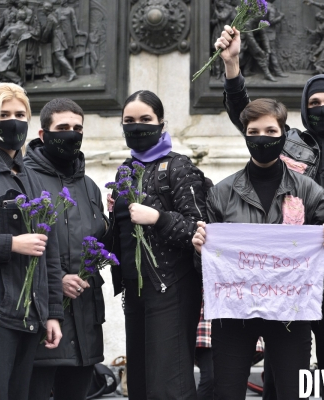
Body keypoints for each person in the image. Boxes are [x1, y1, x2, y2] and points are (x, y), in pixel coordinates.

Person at [216, 24, 324, 399]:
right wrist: (232, 64)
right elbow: (247, 115)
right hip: (287, 278)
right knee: (284, 373)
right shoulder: (286, 141)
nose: (322, 109)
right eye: (314, 103)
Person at [192, 97, 324, 400]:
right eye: (255, 131)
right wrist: (199, 250)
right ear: (245, 135)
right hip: (233, 317)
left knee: (291, 392)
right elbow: (205, 269)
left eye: (271, 131)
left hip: (290, 315)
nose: (263, 138)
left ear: (283, 134)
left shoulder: (308, 191)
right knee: (227, 392)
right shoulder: (220, 193)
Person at [0, 83, 63, 400]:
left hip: (28, 317)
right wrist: (12, 244)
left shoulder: (33, 179)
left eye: (20, 114)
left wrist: (53, 313)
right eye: (4, 114)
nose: (13, 120)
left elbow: (50, 253)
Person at [106, 90, 207, 400]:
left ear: (161, 124)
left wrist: (158, 217)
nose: (137, 127)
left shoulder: (179, 167)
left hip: (171, 288)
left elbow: (200, 231)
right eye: (130, 121)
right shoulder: (124, 169)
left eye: (145, 120)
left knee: (170, 383)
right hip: (136, 291)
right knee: (140, 380)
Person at [25, 98, 107, 400]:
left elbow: (97, 240)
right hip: (43, 322)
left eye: (77, 128)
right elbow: (18, 243)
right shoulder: (24, 179)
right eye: (62, 128)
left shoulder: (90, 186)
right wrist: (57, 279)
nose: (71, 134)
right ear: (43, 134)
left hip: (86, 320)